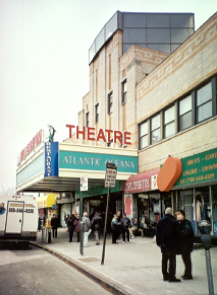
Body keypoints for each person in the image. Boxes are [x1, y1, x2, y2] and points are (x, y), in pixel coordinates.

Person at [156, 207, 181, 282]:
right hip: (172, 244)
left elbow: (157, 233)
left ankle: (165, 275)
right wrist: (178, 243)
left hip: (163, 244)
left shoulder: (160, 221)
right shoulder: (174, 222)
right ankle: (171, 276)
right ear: (171, 213)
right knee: (172, 260)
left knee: (164, 259)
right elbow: (178, 234)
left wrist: (158, 242)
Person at [175, 209, 194, 280]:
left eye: (179, 214)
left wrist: (178, 231)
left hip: (186, 244)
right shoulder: (178, 223)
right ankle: (186, 273)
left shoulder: (186, 223)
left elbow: (186, 232)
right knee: (184, 259)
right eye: (177, 215)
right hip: (182, 245)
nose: (177, 216)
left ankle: (188, 274)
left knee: (187, 259)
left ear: (183, 215)